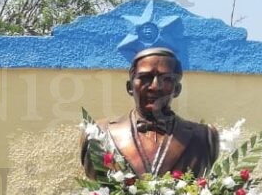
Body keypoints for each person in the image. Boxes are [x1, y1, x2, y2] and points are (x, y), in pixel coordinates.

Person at [81, 47, 220, 180]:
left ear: (177, 89)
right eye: (145, 77)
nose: (155, 86)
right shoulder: (98, 134)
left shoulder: (204, 137)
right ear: (130, 87)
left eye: (166, 78)